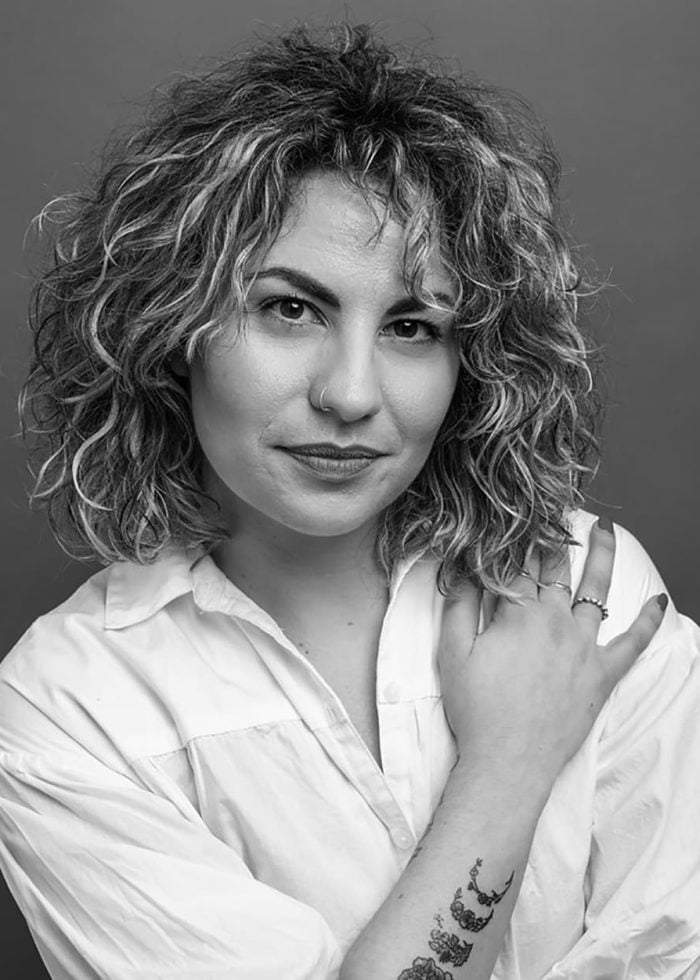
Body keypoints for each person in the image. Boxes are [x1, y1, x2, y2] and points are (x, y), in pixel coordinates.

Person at [1, 21, 698, 980]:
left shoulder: (586, 599)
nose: (352, 393)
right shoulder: (70, 706)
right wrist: (512, 761)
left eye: (413, 325)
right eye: (290, 308)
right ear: (172, 323)